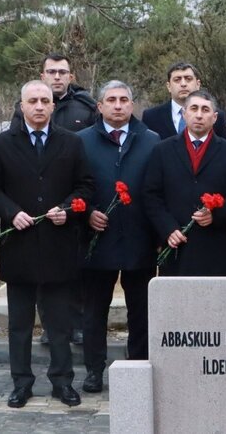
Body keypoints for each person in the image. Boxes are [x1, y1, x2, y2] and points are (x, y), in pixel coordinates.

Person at [0, 80, 94, 408]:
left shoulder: (71, 143)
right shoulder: (2, 144)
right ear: (21, 105)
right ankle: (22, 383)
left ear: (53, 106)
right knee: (20, 325)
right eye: (33, 101)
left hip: (58, 246)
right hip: (20, 247)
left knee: (59, 325)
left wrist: (69, 209)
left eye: (45, 100)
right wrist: (11, 212)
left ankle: (62, 381)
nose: (40, 106)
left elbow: (85, 186)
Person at [9, 53, 97, 346]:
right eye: (51, 71)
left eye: (62, 72)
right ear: (42, 75)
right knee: (40, 273)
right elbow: (15, 151)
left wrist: (74, 207)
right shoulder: (23, 108)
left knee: (75, 270)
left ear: (71, 77)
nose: (57, 76)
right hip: (35, 210)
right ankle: (50, 325)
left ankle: (77, 322)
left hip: (72, 206)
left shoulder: (85, 107)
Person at [77, 80, 160, 393]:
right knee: (94, 311)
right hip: (97, 240)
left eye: (124, 99)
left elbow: (157, 188)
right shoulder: (81, 141)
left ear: (132, 104)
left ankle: (138, 366)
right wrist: (86, 213)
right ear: (99, 106)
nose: (118, 105)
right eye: (111, 100)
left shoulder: (151, 140)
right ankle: (94, 370)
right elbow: (74, 186)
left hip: (140, 240)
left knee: (141, 310)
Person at [144, 90, 226, 276]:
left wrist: (216, 214)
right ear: (184, 114)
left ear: (215, 117)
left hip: (216, 243)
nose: (199, 115)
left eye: (205, 110)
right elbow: (151, 195)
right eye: (194, 108)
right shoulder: (162, 150)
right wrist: (168, 228)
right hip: (176, 242)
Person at [141, 62, 226, 140]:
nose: (183, 84)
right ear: (168, 86)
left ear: (198, 84)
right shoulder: (151, 117)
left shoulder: (215, 116)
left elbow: (225, 151)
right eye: (177, 80)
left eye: (188, 79)